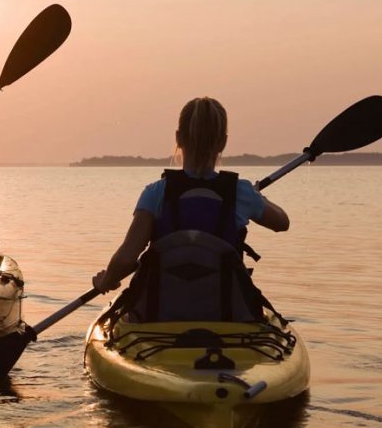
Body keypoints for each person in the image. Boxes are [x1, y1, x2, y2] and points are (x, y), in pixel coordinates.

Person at [92, 97, 289, 323]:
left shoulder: (156, 193)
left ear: (178, 138)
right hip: (225, 316)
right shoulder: (241, 193)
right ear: (223, 143)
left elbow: (126, 259)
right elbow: (282, 222)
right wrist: (258, 197)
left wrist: (107, 280)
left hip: (159, 316)